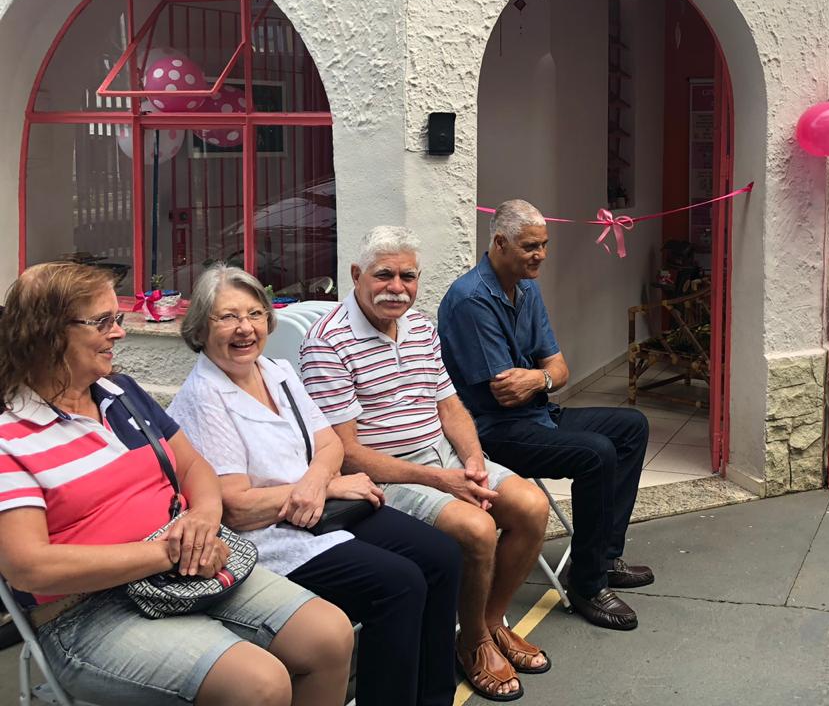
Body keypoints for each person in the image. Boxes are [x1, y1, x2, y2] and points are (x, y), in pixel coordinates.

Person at [0, 262, 353, 706]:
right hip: (88, 610)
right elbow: (30, 567)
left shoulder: (121, 395)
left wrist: (203, 518)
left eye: (117, 318)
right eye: (103, 322)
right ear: (47, 333)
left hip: (185, 570)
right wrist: (169, 552)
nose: (119, 332)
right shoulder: (10, 435)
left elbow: (195, 468)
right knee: (259, 683)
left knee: (330, 635)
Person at [169, 264, 463, 706]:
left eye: (255, 314)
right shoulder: (202, 399)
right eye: (227, 317)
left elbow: (329, 443)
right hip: (270, 537)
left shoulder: (276, 371)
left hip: (323, 510)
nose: (245, 328)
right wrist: (321, 488)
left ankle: (433, 698)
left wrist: (316, 482)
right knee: (398, 583)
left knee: (443, 555)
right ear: (200, 329)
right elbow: (236, 508)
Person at [300, 227, 553, 702]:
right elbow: (346, 452)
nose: (397, 287)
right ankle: (473, 643)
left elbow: (450, 407)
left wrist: (473, 462)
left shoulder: (419, 326)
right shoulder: (327, 342)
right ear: (356, 275)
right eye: (384, 275)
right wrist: (443, 480)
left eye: (408, 276)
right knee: (477, 529)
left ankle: (489, 624)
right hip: (384, 475)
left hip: (445, 459)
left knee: (532, 506)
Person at [437, 201, 653, 631]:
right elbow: (505, 394)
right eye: (530, 246)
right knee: (596, 453)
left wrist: (539, 379)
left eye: (544, 244)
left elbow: (558, 370)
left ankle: (603, 557)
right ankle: (587, 584)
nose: (541, 255)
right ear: (500, 243)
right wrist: (543, 377)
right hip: (493, 431)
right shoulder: (470, 300)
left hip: (537, 414)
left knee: (632, 426)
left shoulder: (526, 288)